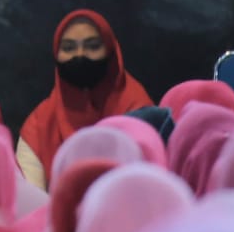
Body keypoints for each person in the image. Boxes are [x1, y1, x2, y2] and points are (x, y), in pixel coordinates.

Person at [16, 10, 152, 189]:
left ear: (110, 51)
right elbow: (30, 198)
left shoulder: (140, 113)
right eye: (68, 48)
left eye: (93, 46)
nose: (80, 55)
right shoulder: (40, 125)